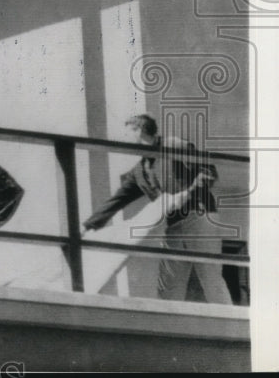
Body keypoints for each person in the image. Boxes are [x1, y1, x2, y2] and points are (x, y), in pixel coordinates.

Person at [82, 114, 232, 304]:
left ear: (139, 130)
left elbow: (208, 171)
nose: (123, 140)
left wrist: (189, 192)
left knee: (210, 278)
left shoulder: (174, 146)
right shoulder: (140, 171)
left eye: (126, 134)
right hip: (173, 226)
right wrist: (88, 225)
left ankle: (234, 329)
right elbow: (117, 199)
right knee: (169, 287)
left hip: (199, 218)